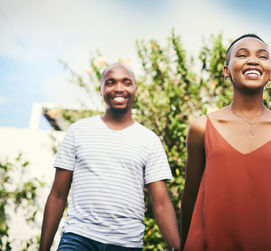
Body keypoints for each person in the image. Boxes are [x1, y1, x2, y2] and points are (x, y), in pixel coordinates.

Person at [181, 34, 271, 250]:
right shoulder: (201, 128)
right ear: (226, 71)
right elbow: (190, 198)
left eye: (263, 56)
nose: (253, 60)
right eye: (242, 55)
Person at [39, 63, 181, 251]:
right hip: (79, 237)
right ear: (101, 89)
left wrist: (177, 247)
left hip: (126, 243)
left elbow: (161, 203)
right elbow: (57, 195)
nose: (119, 88)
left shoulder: (149, 140)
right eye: (111, 82)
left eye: (126, 82)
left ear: (135, 90)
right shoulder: (78, 131)